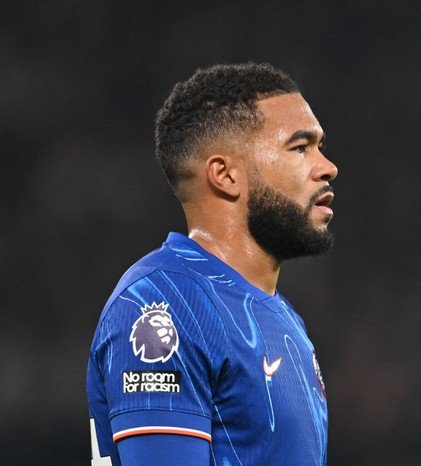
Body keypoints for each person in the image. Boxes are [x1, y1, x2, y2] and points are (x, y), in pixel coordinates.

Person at [86, 63, 338, 466]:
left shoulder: (283, 317)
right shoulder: (161, 305)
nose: (327, 166)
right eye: (300, 147)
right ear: (225, 175)